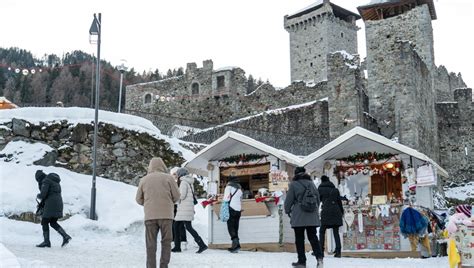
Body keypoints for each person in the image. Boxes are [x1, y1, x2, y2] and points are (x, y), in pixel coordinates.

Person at [136, 157, 180, 268]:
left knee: (150, 244)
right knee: (166, 242)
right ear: (162, 166)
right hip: (166, 216)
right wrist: (169, 202)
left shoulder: (144, 180)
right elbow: (177, 196)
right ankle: (163, 266)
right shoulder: (169, 179)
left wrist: (148, 204)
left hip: (150, 216)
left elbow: (138, 199)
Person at [284, 167, 323, 268]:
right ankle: (319, 258)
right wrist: (314, 210)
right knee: (313, 238)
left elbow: (289, 200)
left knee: (299, 238)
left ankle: (302, 261)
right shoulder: (312, 184)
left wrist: (287, 210)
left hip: (298, 215)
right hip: (312, 215)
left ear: (295, 174)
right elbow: (318, 199)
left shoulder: (293, 184)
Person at [172, 168, 208, 254]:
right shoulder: (189, 182)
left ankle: (201, 245)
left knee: (184, 227)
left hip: (183, 209)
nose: (177, 175)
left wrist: (175, 198)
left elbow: (182, 196)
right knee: (177, 226)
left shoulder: (183, 182)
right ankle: (177, 247)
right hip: (186, 208)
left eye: (177, 174)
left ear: (181, 174)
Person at [35, 172, 72, 248]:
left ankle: (46, 242)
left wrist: (38, 195)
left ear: (39, 178)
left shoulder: (46, 181)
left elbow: (43, 195)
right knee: (53, 222)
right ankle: (65, 236)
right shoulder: (55, 181)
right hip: (58, 204)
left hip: (50, 204)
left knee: (44, 222)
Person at [318, 175, 343, 258]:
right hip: (336, 211)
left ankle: (320, 250)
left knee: (322, 231)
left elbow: (318, 201)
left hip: (326, 211)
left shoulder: (320, 189)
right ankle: (338, 251)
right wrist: (341, 212)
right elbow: (339, 202)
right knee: (336, 232)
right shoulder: (335, 190)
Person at [223, 174, 243, 253]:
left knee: (230, 227)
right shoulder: (239, 188)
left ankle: (236, 245)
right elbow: (240, 198)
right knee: (235, 227)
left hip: (231, 208)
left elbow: (226, 198)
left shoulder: (229, 187)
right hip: (238, 210)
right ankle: (235, 246)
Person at [170, 167, 188, 250]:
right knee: (173, 224)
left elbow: (182, 195)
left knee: (180, 225)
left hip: (179, 205)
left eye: (175, 174)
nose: (175, 175)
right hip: (173, 206)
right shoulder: (171, 182)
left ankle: (183, 241)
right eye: (173, 174)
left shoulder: (181, 182)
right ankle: (174, 240)